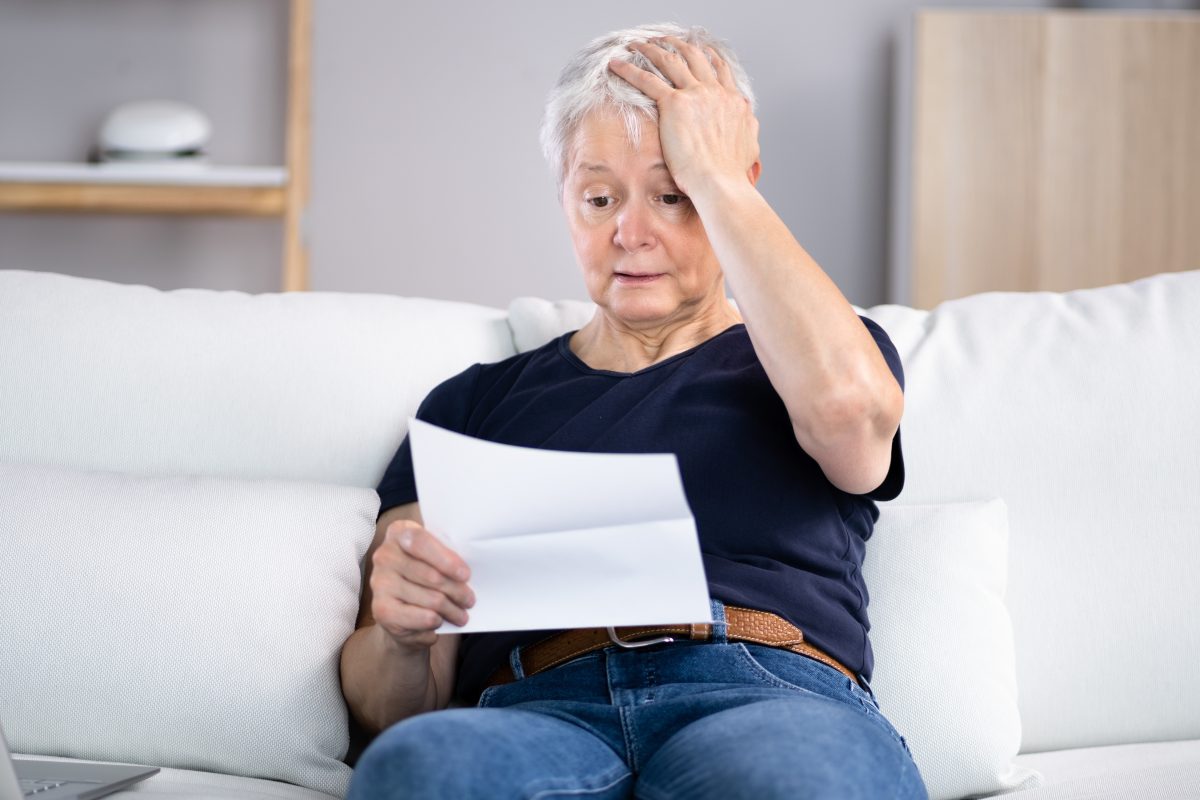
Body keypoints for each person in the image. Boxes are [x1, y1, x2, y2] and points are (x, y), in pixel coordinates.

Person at [340, 22, 927, 800]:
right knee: (418, 769)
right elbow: (393, 712)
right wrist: (404, 637)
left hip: (766, 692)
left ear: (737, 184)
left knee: (793, 782)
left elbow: (854, 426)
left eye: (673, 194)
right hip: (536, 707)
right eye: (598, 196)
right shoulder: (470, 407)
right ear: (565, 200)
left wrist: (720, 181)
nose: (629, 231)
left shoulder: (812, 354)